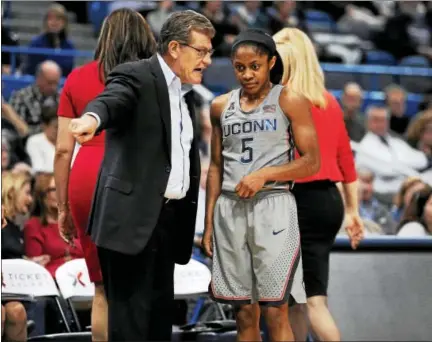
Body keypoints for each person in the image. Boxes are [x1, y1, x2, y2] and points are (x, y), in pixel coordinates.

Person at [67, 10, 215, 341]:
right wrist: (91, 119)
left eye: (210, 52)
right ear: (175, 48)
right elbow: (112, 100)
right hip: (130, 223)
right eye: (201, 51)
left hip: (166, 222)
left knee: (158, 324)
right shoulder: (136, 75)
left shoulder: (185, 94)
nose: (208, 60)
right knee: (130, 327)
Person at [202, 29, 321, 342]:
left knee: (275, 309)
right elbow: (215, 167)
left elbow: (312, 161)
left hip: (274, 206)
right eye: (240, 68)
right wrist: (208, 222)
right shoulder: (219, 106)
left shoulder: (289, 100)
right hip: (228, 210)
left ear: (270, 62)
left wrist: (265, 174)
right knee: (243, 313)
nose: (247, 74)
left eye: (254, 66)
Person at [53, 8, 157, 342]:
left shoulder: (77, 77)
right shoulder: (151, 78)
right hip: (131, 178)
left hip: (84, 179)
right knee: (138, 287)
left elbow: (62, 150)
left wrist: (62, 208)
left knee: (101, 288)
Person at [273, 27, 364, 342]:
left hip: (299, 202)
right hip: (328, 202)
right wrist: (353, 212)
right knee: (298, 301)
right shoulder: (329, 102)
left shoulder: (282, 101)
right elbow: (347, 163)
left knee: (310, 301)